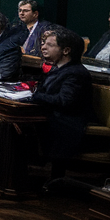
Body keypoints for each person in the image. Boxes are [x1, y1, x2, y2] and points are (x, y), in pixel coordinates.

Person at [33, 27, 94, 173]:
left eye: (50, 45)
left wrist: (36, 96)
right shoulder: (59, 68)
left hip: (67, 123)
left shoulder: (75, 73)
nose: (43, 47)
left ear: (66, 50)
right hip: (54, 117)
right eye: (43, 43)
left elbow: (64, 101)